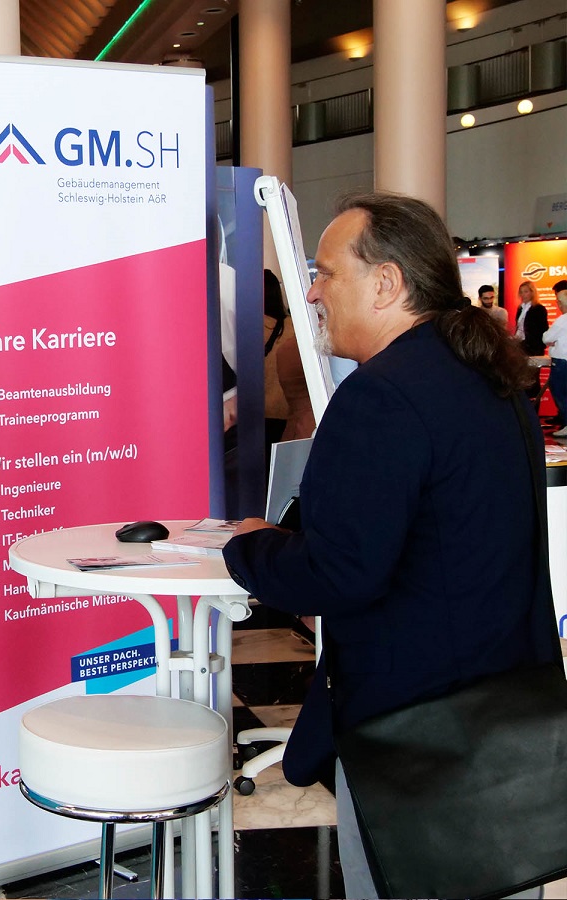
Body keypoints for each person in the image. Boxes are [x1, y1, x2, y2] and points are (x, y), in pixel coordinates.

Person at [220, 191, 559, 898]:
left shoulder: (382, 396)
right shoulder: (487, 376)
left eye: (325, 272)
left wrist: (248, 548)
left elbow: (340, 572)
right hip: (504, 724)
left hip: (417, 743)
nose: (314, 292)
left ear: (386, 283)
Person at [545, 279, 567, 437]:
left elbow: (546, 338)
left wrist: (552, 343)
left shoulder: (562, 320)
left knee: (560, 392)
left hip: (561, 362)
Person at [515, 278, 549, 355]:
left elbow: (543, 329)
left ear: (532, 292)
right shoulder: (520, 308)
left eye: (526, 292)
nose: (523, 295)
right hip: (520, 345)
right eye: (521, 292)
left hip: (534, 347)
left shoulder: (538, 308)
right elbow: (519, 327)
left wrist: (540, 346)